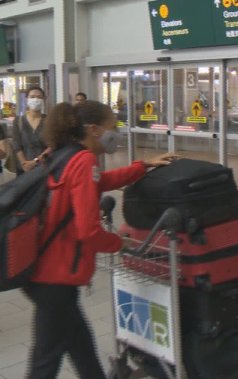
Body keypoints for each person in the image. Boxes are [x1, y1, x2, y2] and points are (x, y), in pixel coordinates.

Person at [24, 100, 176, 379]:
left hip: (42, 268)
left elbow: (100, 181)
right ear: (94, 129)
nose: (115, 131)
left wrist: (142, 166)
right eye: (112, 126)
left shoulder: (62, 154)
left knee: (80, 347)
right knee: (45, 360)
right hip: (55, 277)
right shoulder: (82, 160)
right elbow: (88, 231)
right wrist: (121, 244)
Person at [10, 87, 49, 174]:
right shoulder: (18, 121)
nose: (35, 99)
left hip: (44, 169)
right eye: (32, 97)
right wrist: (25, 164)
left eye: (39, 97)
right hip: (23, 170)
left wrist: (35, 162)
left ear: (44, 100)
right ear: (26, 99)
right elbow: (16, 145)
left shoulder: (49, 121)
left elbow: (52, 146)